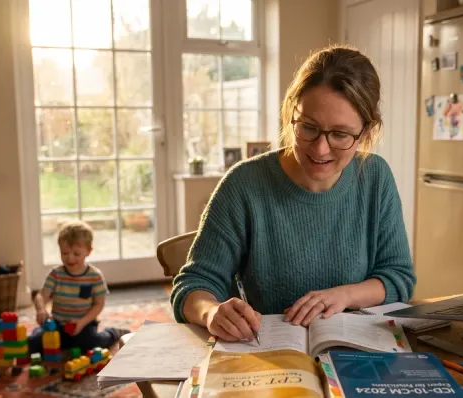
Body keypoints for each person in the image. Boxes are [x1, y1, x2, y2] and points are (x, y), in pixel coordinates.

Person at [170, 44, 416, 342]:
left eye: (339, 134)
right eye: (308, 127)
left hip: (358, 352)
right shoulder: (244, 184)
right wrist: (211, 312)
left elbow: (399, 277)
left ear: (365, 132)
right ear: (291, 112)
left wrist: (344, 295)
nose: (320, 149)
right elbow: (194, 284)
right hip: (272, 357)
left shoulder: (376, 177)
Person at [29, 220, 129, 353]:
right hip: (57, 324)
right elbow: (41, 296)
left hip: (84, 324)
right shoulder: (55, 274)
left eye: (76, 254)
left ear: (89, 251)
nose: (70, 258)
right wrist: (41, 309)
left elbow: (98, 305)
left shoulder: (95, 276)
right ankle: (40, 332)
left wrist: (82, 322)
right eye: (64, 253)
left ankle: (112, 333)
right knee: (33, 344)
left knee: (92, 344)